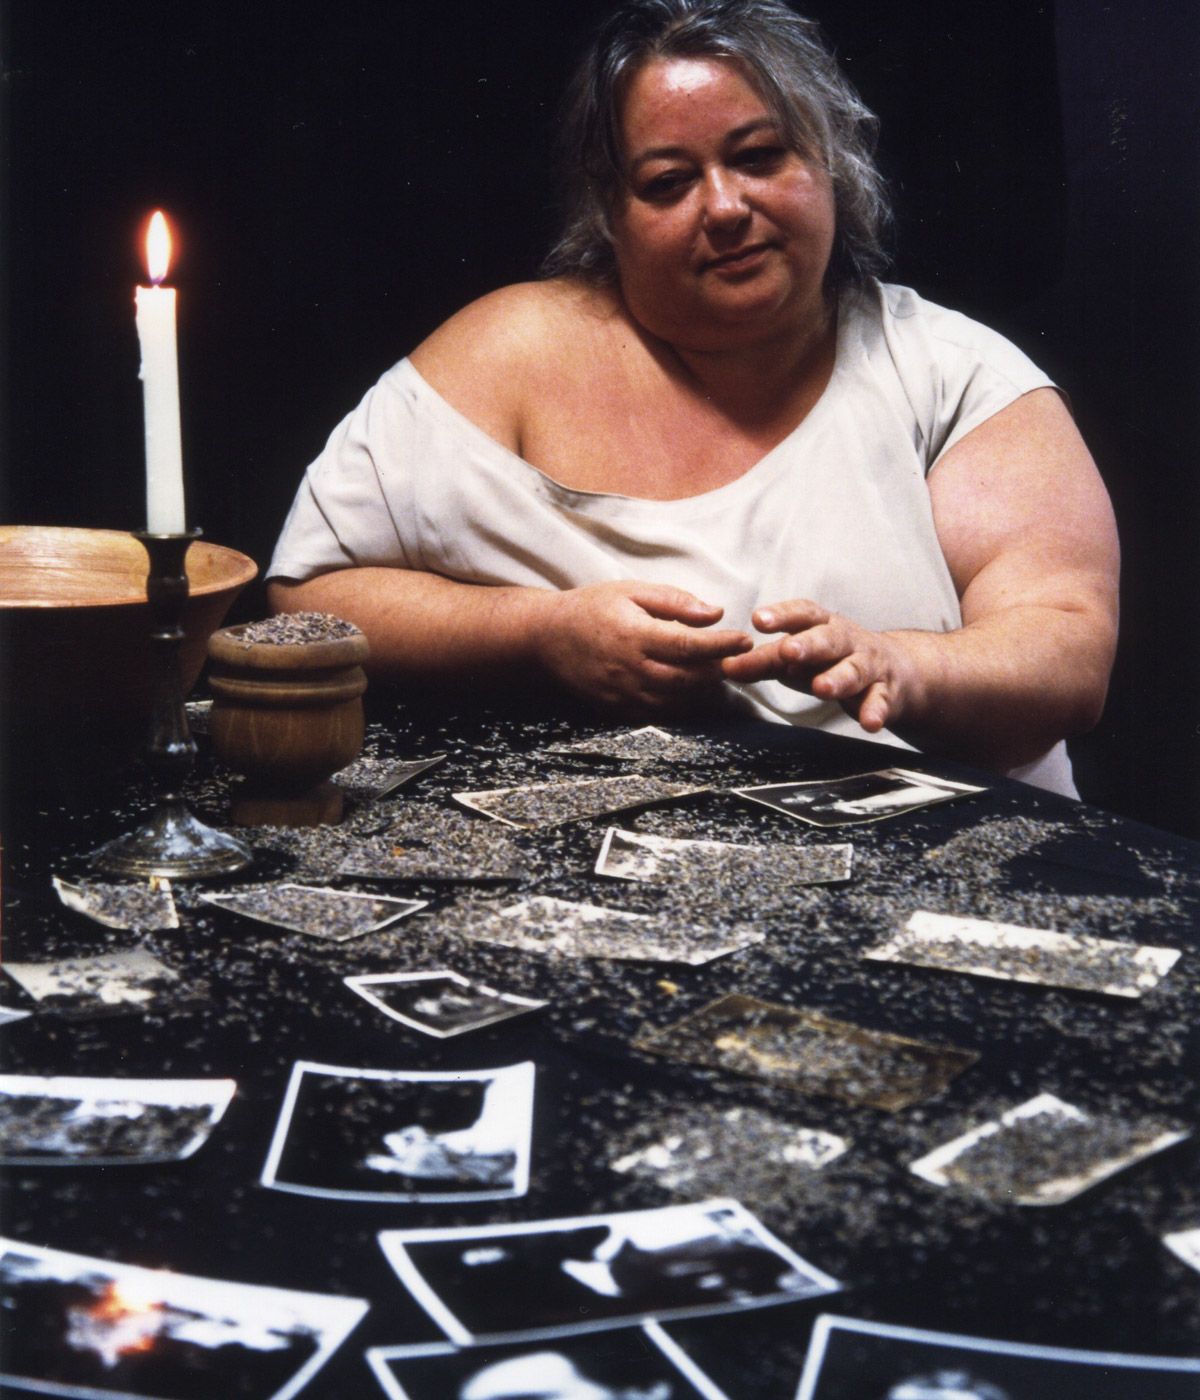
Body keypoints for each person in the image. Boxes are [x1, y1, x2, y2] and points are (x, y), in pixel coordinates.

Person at [266, 0, 1119, 797]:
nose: (724, 207)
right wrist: (541, 635)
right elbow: (308, 596)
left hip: (950, 854)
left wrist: (903, 668)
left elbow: (1066, 649)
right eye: (669, 181)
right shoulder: (507, 354)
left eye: (759, 157)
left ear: (832, 161)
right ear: (610, 213)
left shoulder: (953, 373)